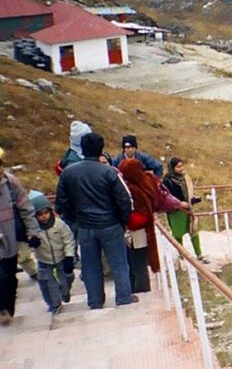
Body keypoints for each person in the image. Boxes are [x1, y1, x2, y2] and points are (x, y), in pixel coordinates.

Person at [55, 132, 136, 310]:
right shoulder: (109, 171)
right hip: (110, 224)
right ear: (101, 149)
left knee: (90, 268)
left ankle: (95, 302)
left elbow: (61, 202)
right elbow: (124, 200)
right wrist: (122, 221)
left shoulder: (69, 173)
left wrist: (74, 219)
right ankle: (124, 299)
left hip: (85, 226)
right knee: (119, 265)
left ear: (82, 149)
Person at [0, 147, 42, 325]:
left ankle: (8, 307)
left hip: (9, 242)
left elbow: (26, 209)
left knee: (9, 277)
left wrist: (33, 232)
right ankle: (1, 309)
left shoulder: (11, 183)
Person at [119, 157, 167, 292]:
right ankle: (140, 289)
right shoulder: (147, 182)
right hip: (144, 229)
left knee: (137, 264)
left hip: (136, 231)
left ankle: (141, 291)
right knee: (139, 263)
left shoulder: (131, 188)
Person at [24, 191, 74, 315]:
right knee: (47, 284)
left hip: (61, 258)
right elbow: (27, 241)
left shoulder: (59, 224)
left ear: (50, 211)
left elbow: (68, 240)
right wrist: (31, 242)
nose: (44, 216)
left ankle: (65, 292)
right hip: (44, 261)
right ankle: (54, 304)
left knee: (65, 280)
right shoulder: (34, 229)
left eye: (46, 212)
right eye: (39, 214)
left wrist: (69, 256)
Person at [163, 157, 204, 259]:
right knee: (178, 233)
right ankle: (181, 254)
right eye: (178, 167)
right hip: (176, 212)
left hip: (188, 209)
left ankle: (199, 254)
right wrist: (180, 203)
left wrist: (193, 200)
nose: (181, 169)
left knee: (193, 231)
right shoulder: (167, 181)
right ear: (173, 168)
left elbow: (188, 194)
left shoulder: (185, 178)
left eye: (182, 166)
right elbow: (167, 197)